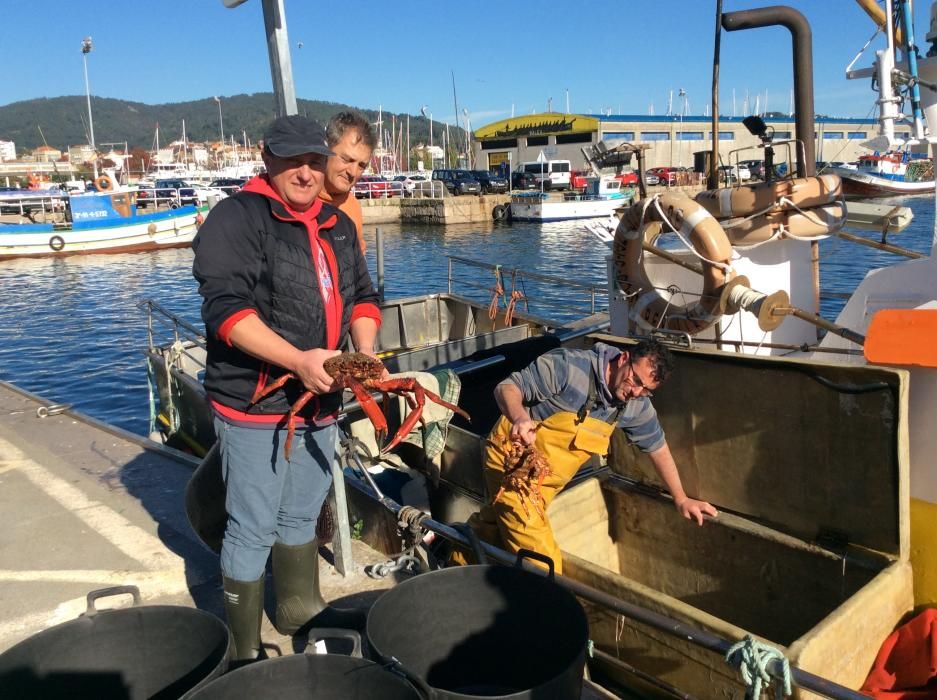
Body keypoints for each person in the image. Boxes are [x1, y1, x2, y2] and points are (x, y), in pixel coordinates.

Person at [192, 114, 381, 661]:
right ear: (266, 156)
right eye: (291, 160)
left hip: (323, 398)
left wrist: (363, 353)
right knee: (250, 526)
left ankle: (298, 606)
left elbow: (364, 295)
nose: (305, 172)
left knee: (301, 513)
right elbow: (226, 311)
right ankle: (243, 649)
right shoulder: (238, 218)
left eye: (312, 160)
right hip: (256, 404)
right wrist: (298, 360)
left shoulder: (338, 223)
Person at [459, 339, 717, 575]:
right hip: (512, 463)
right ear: (624, 359)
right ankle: (546, 612)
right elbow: (507, 388)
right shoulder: (569, 367)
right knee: (542, 564)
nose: (636, 392)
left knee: (494, 524)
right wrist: (520, 417)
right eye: (636, 380)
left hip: (547, 480)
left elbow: (657, 447)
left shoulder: (635, 405)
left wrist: (681, 498)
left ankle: (455, 558)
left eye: (646, 390)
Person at [319, 111, 377, 255]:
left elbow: (358, 267)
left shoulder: (352, 207)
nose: (352, 172)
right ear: (326, 151)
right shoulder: (300, 197)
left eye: (361, 166)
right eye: (346, 159)